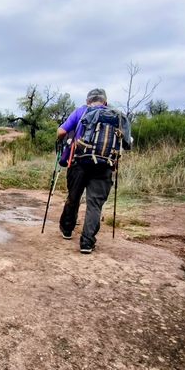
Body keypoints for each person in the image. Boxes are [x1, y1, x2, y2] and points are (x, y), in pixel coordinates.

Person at [56, 88, 131, 254]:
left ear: (88, 101)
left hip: (79, 163)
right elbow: (127, 143)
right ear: (105, 101)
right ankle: (87, 243)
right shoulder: (117, 116)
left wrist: (64, 140)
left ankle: (67, 230)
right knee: (94, 204)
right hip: (105, 165)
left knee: (73, 197)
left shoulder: (81, 111)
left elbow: (61, 131)